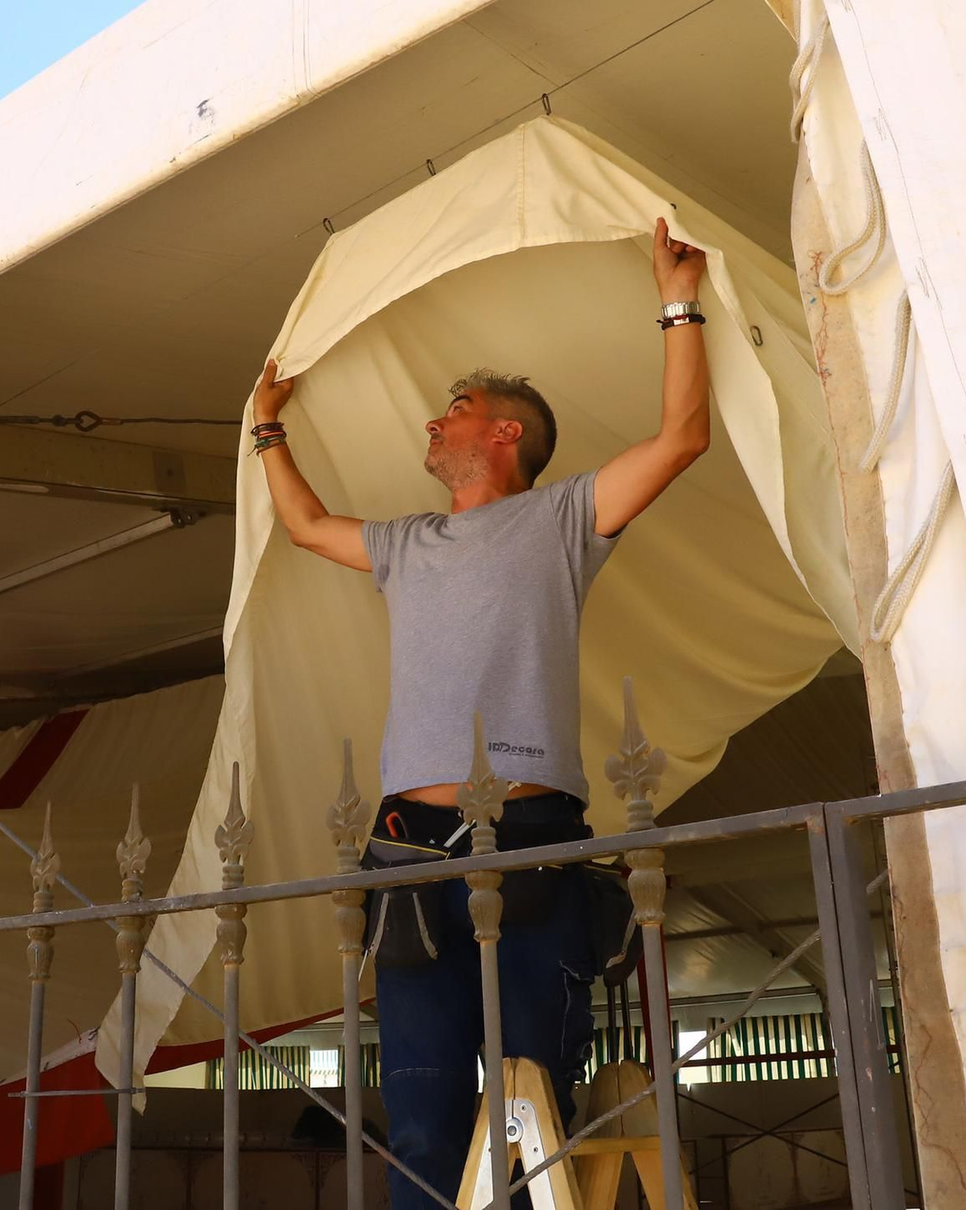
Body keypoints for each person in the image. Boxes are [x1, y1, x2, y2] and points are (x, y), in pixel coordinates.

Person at [249, 218, 711, 1207]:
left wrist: (678, 304)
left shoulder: (561, 517)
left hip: (532, 839)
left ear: (505, 433)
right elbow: (300, 525)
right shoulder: (407, 541)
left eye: (453, 408)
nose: (431, 422)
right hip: (407, 854)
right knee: (418, 1120)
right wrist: (266, 427)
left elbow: (682, 438)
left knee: (530, 1109)